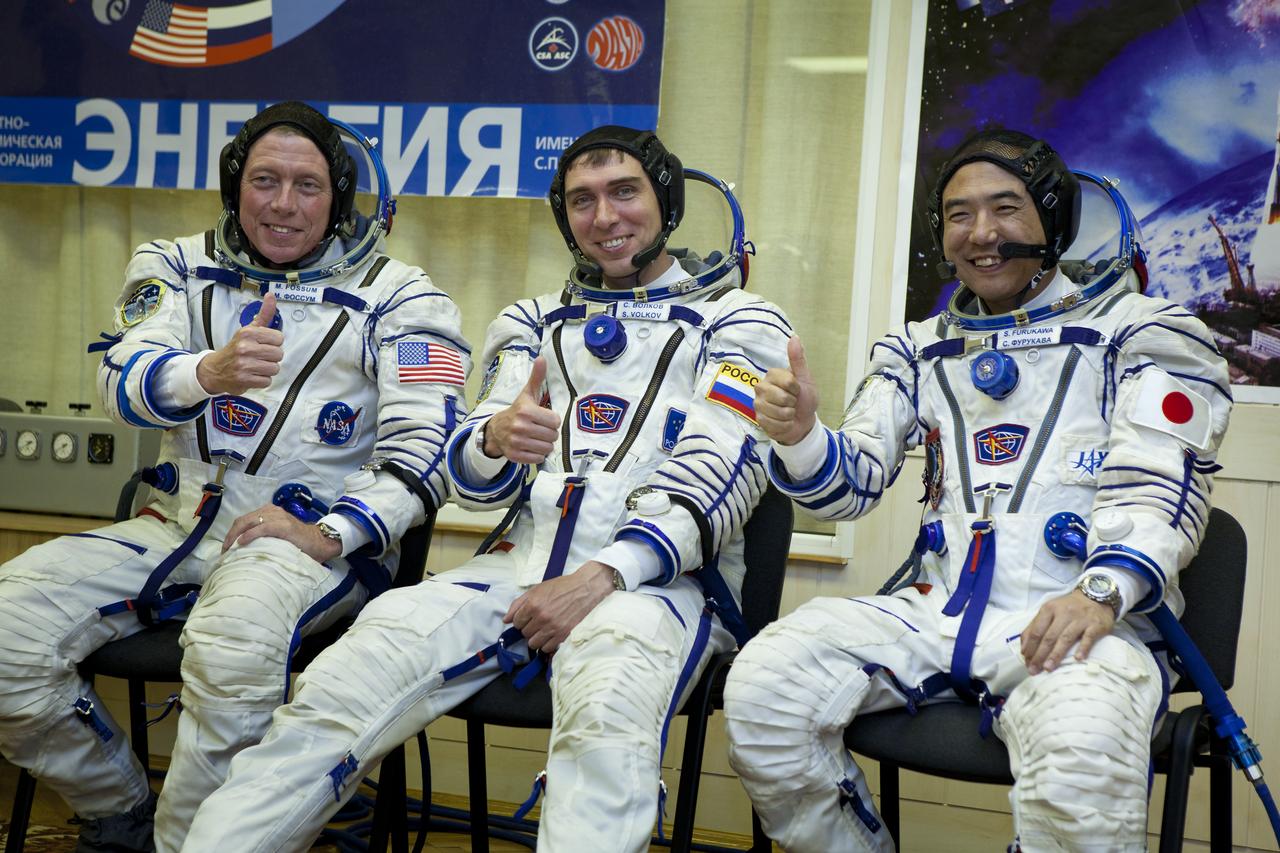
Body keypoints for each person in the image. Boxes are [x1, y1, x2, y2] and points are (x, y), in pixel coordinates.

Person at [180, 125, 792, 852]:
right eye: (583, 200)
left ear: (665, 201)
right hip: (510, 571)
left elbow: (723, 469)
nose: (605, 217)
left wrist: (602, 575)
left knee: (604, 723)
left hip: (657, 588)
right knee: (337, 688)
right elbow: (467, 475)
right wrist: (496, 439)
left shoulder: (744, 324)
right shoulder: (532, 322)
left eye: (624, 192)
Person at [723, 129, 1233, 852]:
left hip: (1083, 620)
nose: (982, 234)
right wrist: (802, 433)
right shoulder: (916, 348)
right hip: (932, 616)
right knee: (764, 685)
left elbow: (1158, 482)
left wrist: (1103, 588)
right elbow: (850, 486)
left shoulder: (1141, 333)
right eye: (959, 215)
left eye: (1006, 209)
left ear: (1052, 224)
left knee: (1081, 758)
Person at [0, 101, 468, 852]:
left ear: (339, 196)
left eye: (308, 185)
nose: (283, 204)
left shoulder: (403, 297)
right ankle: (122, 808)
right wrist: (204, 372)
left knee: (232, 642)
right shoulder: (177, 264)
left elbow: (425, 454)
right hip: (183, 524)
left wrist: (328, 531)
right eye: (264, 180)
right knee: (8, 629)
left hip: (307, 542)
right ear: (234, 185)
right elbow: (119, 380)